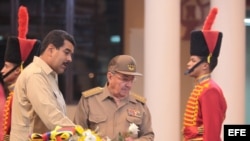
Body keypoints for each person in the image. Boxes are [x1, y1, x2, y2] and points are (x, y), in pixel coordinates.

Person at [10, 29, 76, 141]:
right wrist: (83, 136)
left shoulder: (49, 75)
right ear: (51, 50)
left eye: (71, 54)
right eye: (66, 52)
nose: (70, 59)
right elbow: (52, 117)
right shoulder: (35, 75)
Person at [73, 54, 154, 141]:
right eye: (125, 79)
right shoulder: (89, 101)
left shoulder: (139, 105)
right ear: (110, 77)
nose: (129, 85)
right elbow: (76, 134)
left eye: (132, 80)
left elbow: (148, 136)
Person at [182, 7, 227, 141]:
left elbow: (212, 132)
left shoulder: (210, 90)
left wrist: (193, 131)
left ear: (205, 65)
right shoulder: (201, 87)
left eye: (193, 60)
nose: (188, 64)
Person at [0, 6, 41, 141]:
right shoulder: (14, 92)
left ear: (18, 70)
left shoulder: (27, 94)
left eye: (6, 66)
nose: (2, 70)